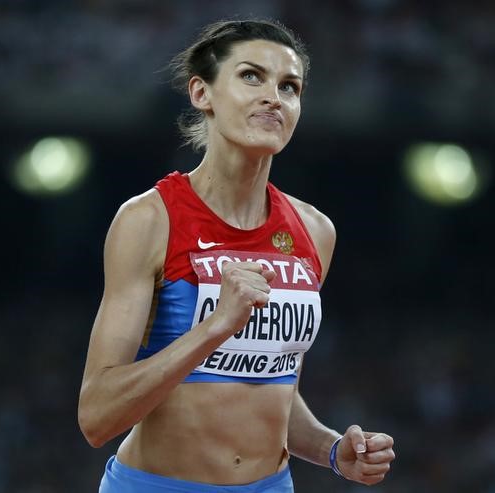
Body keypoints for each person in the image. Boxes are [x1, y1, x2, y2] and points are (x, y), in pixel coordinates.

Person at [77, 18, 395, 492]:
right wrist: (214, 328)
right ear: (201, 93)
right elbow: (97, 416)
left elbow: (275, 394)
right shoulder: (149, 220)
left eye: (290, 87)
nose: (274, 97)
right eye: (251, 76)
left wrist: (332, 449)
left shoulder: (314, 231)